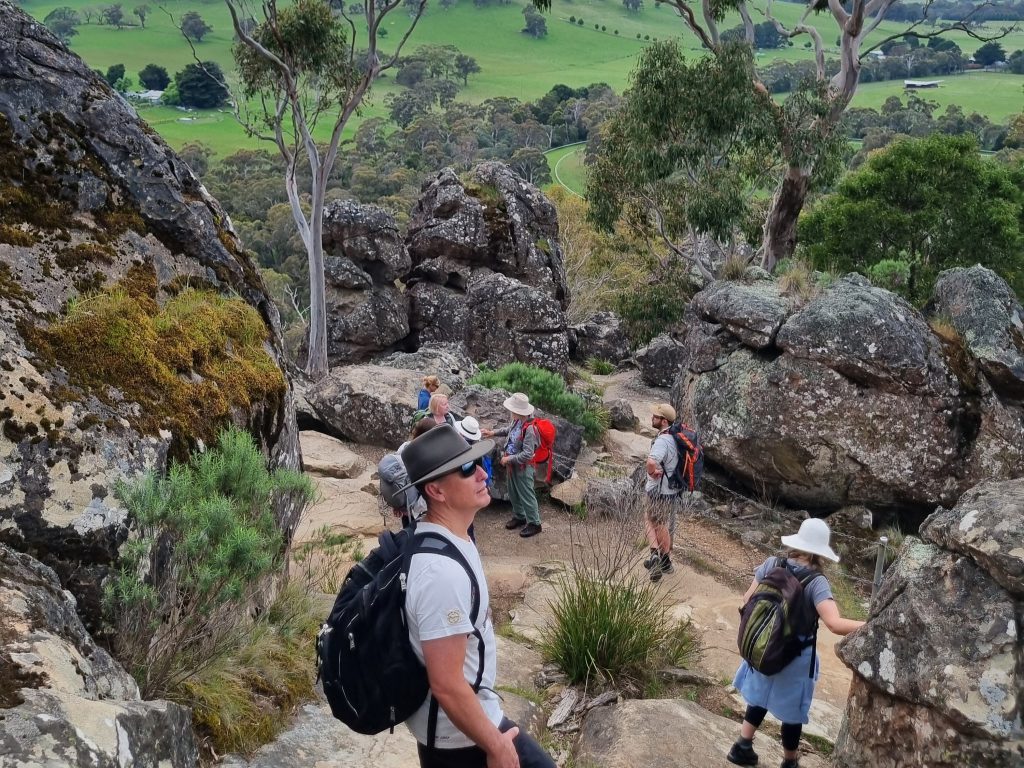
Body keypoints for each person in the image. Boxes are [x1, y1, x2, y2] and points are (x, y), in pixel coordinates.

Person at [396, 425, 556, 768]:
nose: (484, 473)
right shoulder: (442, 573)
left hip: (459, 728)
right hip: (460, 737)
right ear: (436, 490)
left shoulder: (448, 537)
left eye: (479, 461)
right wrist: (495, 745)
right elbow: (447, 684)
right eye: (468, 468)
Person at [728, 518, 865, 768]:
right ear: (820, 551)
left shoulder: (773, 563)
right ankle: (789, 762)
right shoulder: (816, 582)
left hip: (763, 647)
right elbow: (834, 623)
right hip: (794, 657)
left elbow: (747, 599)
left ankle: (742, 745)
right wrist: (870, 625)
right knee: (792, 712)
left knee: (758, 696)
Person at [482, 393, 542, 538]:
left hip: (523, 467)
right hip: (513, 465)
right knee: (513, 491)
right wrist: (492, 432)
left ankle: (535, 523)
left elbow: (528, 453)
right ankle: (519, 516)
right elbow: (508, 430)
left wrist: (509, 459)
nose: (511, 412)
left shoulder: (529, 430)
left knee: (526, 494)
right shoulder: (517, 422)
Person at [643, 403, 680, 582]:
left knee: (655, 523)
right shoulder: (674, 437)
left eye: (656, 417)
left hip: (659, 489)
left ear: (664, 421)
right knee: (657, 521)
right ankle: (660, 558)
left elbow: (651, 462)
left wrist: (651, 472)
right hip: (670, 489)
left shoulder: (662, 441)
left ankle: (660, 558)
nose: (652, 418)